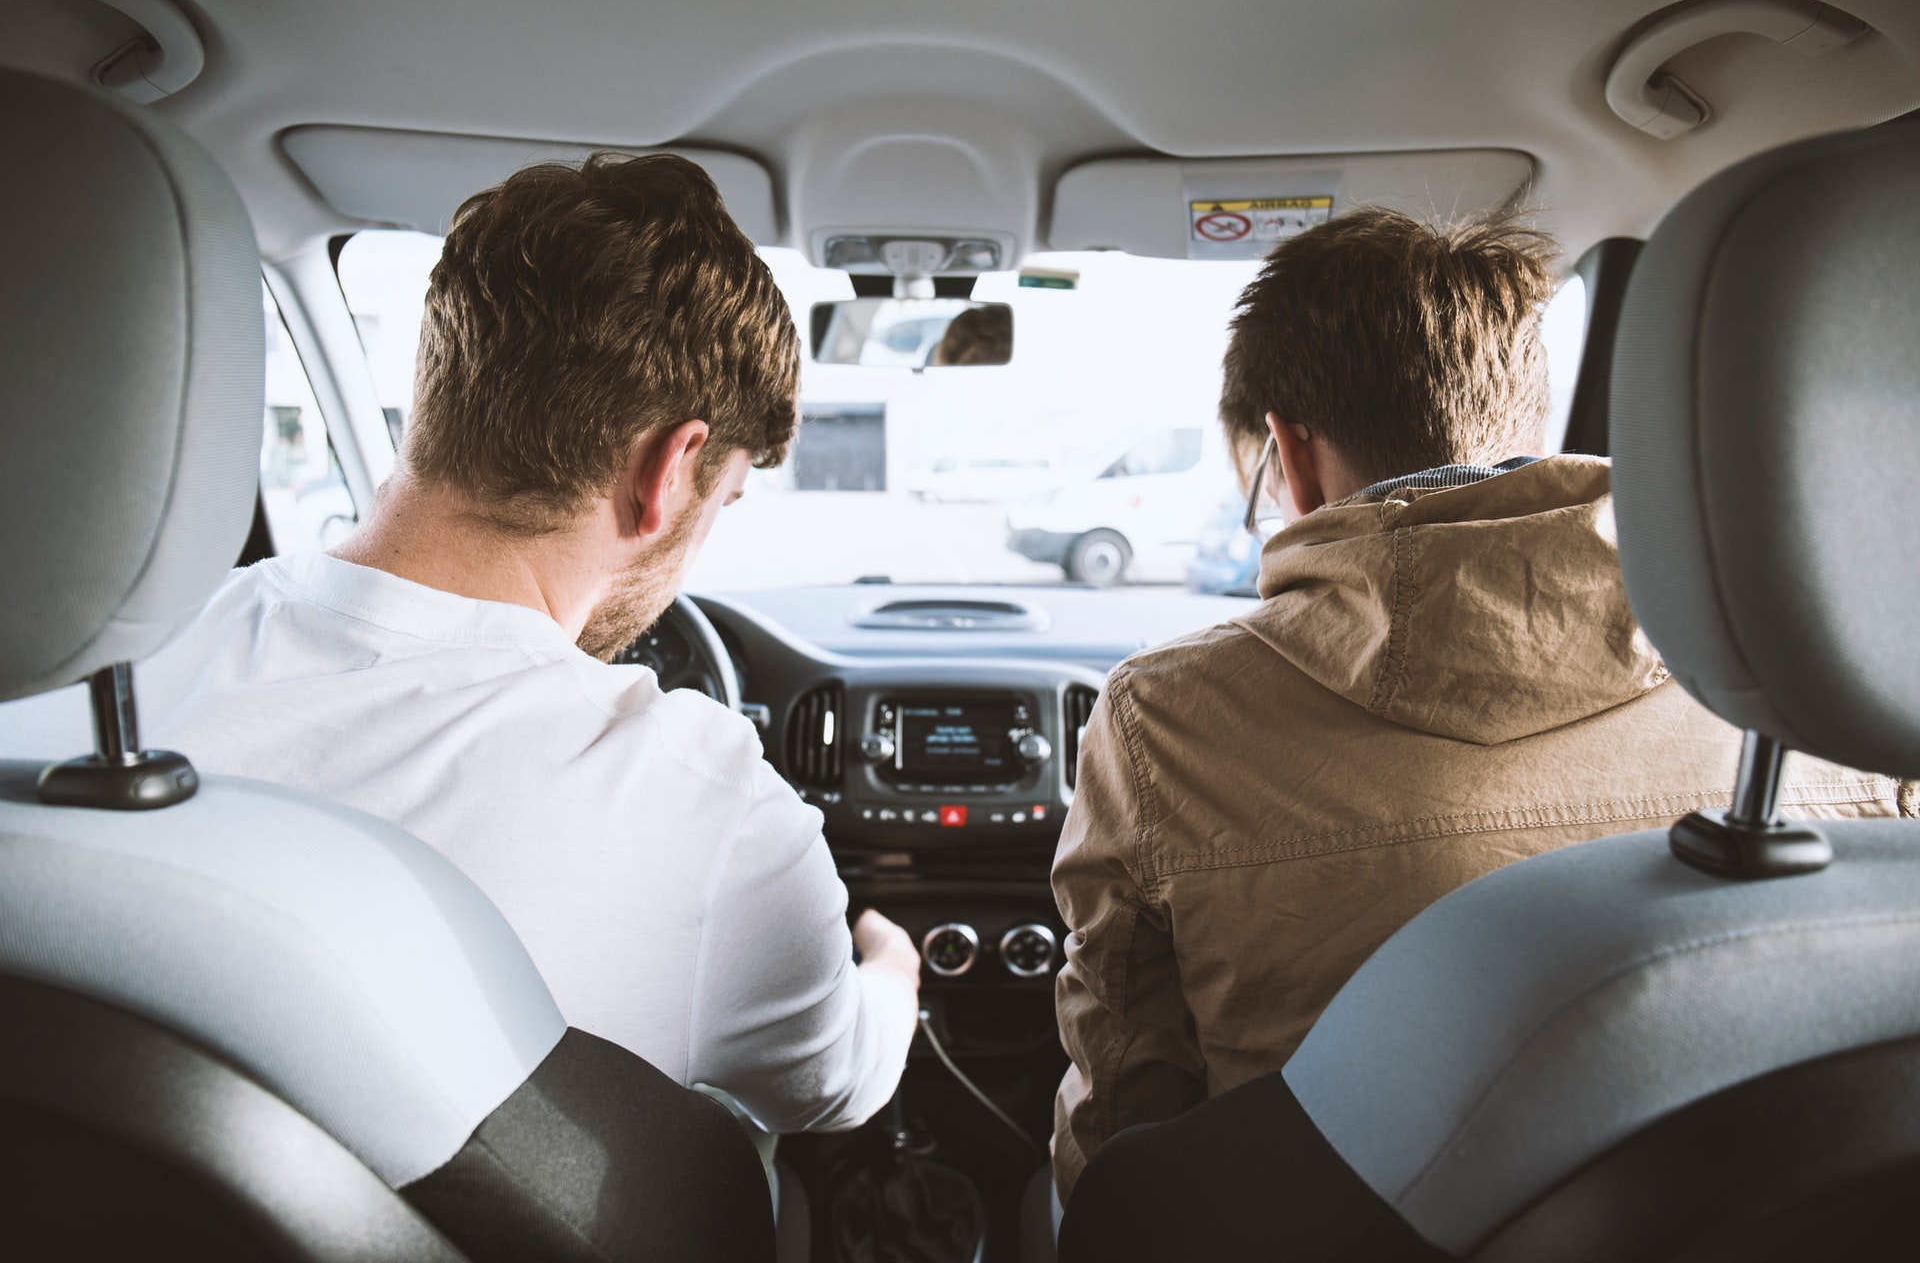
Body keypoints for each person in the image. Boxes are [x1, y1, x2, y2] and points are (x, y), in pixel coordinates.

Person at [0, 153, 921, 1136]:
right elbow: (833, 1086)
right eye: (721, 503)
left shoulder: (60, 689)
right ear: (670, 469)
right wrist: (892, 962)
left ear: (443, 387)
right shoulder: (712, 806)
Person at [1048, 207, 1910, 1203]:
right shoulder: (1828, 680)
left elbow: (1125, 1107)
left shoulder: (1166, 718)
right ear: (1530, 431)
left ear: (1288, 454)